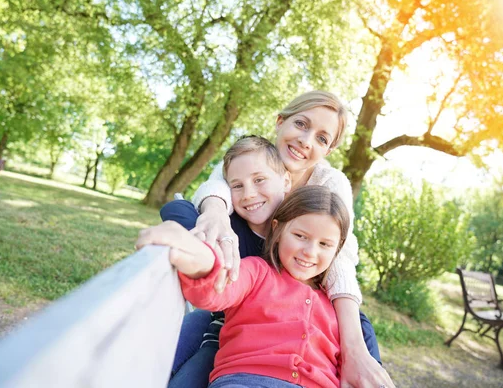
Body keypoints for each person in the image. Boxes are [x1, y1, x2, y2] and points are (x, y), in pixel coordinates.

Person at [161, 91, 393, 388]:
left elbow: (341, 256)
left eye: (322, 138)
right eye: (301, 124)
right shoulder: (252, 156)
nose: (306, 141)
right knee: (182, 358)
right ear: (280, 122)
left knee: (358, 328)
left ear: (329, 150)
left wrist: (354, 350)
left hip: (301, 291)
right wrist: (217, 212)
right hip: (243, 276)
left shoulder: (330, 185)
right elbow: (215, 186)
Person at [137, 186, 351, 387]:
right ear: (277, 230)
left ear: (337, 249)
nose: (310, 252)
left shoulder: (337, 305)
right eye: (300, 236)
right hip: (246, 379)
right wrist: (198, 258)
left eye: (324, 244)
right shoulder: (257, 272)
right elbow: (218, 288)